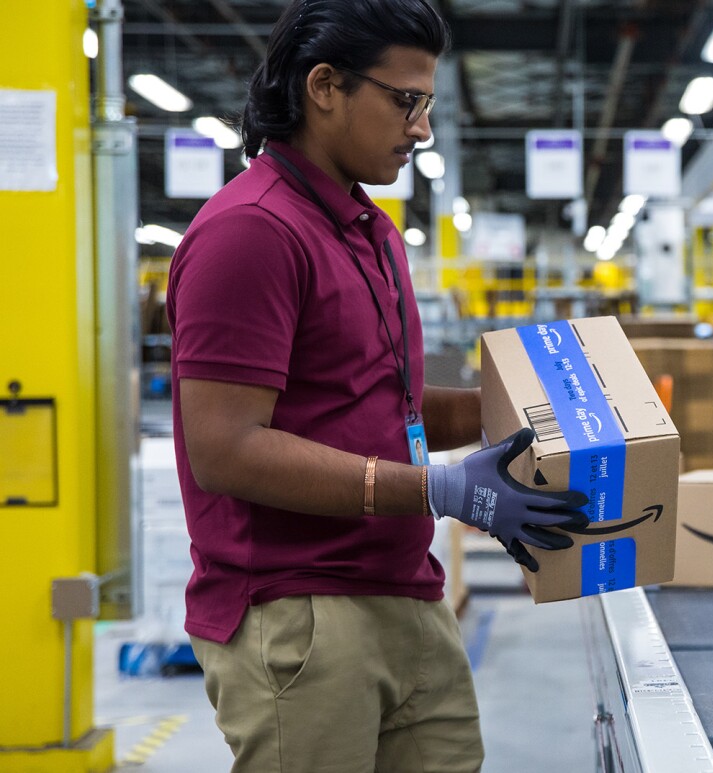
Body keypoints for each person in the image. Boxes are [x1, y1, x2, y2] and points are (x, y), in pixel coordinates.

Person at [167, 1, 587, 770]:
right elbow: (224, 449)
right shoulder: (251, 232)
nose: (421, 128)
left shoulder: (370, 232)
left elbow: (378, 401)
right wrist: (438, 489)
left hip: (406, 594)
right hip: (299, 612)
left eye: (426, 105)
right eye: (405, 101)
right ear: (325, 86)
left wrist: (529, 409)